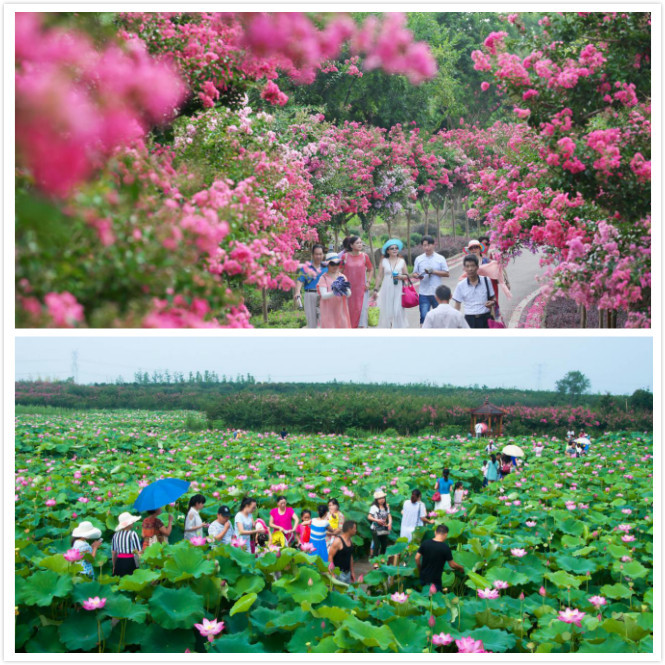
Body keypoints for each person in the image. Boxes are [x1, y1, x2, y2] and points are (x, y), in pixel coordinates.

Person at [412, 236, 450, 325]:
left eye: (428, 245)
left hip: (437, 293)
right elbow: (414, 273)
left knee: (439, 318)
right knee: (424, 317)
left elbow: (447, 273)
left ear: (433, 245)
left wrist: (433, 271)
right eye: (424, 245)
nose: (426, 248)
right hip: (423, 293)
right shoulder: (419, 259)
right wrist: (417, 276)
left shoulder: (440, 258)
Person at [415, 524, 465, 592]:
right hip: (435, 580)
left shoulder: (425, 543)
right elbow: (452, 565)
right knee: (435, 600)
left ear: (435, 532)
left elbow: (417, 558)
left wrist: (419, 569)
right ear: (446, 534)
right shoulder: (445, 548)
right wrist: (461, 568)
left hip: (423, 577)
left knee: (424, 599)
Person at [452, 254, 496, 328]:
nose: (470, 269)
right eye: (467, 266)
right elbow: (457, 306)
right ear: (464, 268)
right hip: (469, 320)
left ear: (477, 267)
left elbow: (493, 298)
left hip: (485, 318)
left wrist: (492, 302)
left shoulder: (486, 280)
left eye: (472, 266)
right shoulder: (460, 285)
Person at [375, 239, 409, 328]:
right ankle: (389, 329)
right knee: (387, 311)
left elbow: (407, 275)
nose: (394, 250)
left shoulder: (402, 261)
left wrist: (401, 277)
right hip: (386, 288)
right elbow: (379, 276)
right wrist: (375, 289)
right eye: (392, 248)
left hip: (399, 288)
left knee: (398, 311)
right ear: (387, 251)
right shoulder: (384, 261)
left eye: (396, 248)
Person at [341, 236, 374, 328]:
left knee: (362, 312)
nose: (360, 244)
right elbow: (339, 271)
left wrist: (368, 282)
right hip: (348, 290)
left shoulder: (364, 256)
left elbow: (371, 269)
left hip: (362, 290)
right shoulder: (345, 256)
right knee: (349, 312)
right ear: (351, 245)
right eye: (357, 243)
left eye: (360, 242)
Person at [294, 244, 327, 328]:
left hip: (323, 295)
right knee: (312, 323)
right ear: (312, 255)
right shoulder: (306, 267)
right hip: (310, 295)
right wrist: (298, 292)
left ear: (323, 255)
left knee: (324, 321)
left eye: (320, 254)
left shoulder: (327, 267)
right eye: (316, 254)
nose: (318, 256)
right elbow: (300, 280)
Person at [317, 253, 352, 328]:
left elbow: (348, 294)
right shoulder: (323, 278)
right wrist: (335, 292)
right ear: (327, 265)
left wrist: (346, 290)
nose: (335, 266)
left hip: (341, 309)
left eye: (337, 264)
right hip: (328, 310)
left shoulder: (342, 276)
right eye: (332, 264)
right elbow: (323, 296)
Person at [111, 512, 141, 577]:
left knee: (120, 582)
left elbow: (114, 552)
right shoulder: (132, 534)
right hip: (130, 561)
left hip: (119, 562)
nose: (133, 522)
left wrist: (114, 566)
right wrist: (141, 564)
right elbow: (138, 551)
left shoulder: (115, 535)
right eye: (132, 522)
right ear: (128, 524)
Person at [368, 490, 392, 561]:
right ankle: (375, 561)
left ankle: (381, 560)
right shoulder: (374, 507)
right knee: (377, 545)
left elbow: (389, 516)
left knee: (384, 545)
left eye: (383, 498)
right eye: (380, 498)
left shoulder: (386, 506)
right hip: (375, 528)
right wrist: (377, 520)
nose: (382, 500)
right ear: (377, 499)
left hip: (384, 528)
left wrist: (390, 523)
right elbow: (369, 517)